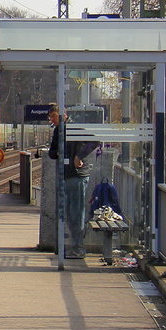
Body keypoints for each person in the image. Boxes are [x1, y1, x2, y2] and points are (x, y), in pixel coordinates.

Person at [47, 104, 99, 259]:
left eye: (54, 116)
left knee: (76, 213)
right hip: (66, 174)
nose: (52, 119)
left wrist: (78, 157)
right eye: (50, 117)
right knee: (69, 213)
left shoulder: (74, 128)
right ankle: (73, 246)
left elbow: (94, 141)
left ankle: (78, 248)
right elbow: (52, 152)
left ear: (63, 115)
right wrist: (58, 153)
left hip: (77, 175)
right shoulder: (58, 130)